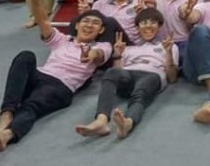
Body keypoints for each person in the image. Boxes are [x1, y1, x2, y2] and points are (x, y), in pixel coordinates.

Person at [0, 0, 111, 152]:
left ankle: (6, 135)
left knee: (31, 106)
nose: (89, 26)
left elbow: (99, 55)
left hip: (61, 87)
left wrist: (91, 54)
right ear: (77, 25)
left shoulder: (102, 46)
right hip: (41, 75)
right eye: (86, 22)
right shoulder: (62, 40)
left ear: (101, 30)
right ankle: (7, 114)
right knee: (26, 56)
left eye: (95, 24)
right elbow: (42, 20)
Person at [73, 8, 178, 139]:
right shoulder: (128, 48)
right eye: (144, 23)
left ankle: (128, 122)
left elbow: (172, 78)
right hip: (128, 74)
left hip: (151, 75)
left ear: (159, 26)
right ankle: (101, 120)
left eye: (153, 22)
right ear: (138, 27)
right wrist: (117, 55)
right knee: (111, 72)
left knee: (140, 91)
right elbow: (118, 73)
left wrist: (168, 53)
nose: (148, 26)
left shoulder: (169, 46)